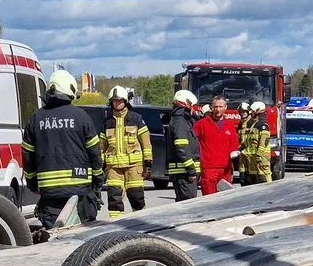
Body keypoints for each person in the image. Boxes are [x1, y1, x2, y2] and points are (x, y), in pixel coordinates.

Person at [21, 70, 105, 228]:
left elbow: (28, 156)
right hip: (80, 191)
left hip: (50, 194)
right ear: (70, 90)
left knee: (55, 239)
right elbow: (94, 152)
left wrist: (32, 183)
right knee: (85, 238)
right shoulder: (81, 116)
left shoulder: (35, 119)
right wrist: (98, 179)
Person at [97, 85, 152, 218]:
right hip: (114, 169)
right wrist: (98, 166)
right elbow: (101, 147)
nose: (117, 103)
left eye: (120, 100)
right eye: (115, 100)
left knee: (136, 197)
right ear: (111, 102)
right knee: (114, 200)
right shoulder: (107, 122)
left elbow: (146, 143)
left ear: (125, 101)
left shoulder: (136, 119)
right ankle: (116, 227)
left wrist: (148, 164)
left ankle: (142, 224)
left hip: (134, 167)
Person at [192, 96, 238, 195]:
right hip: (209, 168)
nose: (217, 109)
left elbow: (234, 143)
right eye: (215, 107)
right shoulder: (201, 124)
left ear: (225, 107)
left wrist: (234, 151)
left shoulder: (229, 125)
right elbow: (192, 141)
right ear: (212, 108)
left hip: (225, 169)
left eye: (220, 106)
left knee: (225, 199)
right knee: (209, 198)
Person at [164, 89, 200, 201]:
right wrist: (191, 170)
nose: (195, 109)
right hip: (184, 174)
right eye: (193, 106)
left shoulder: (180, 120)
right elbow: (182, 148)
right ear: (187, 104)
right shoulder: (180, 122)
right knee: (187, 205)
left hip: (183, 173)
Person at [240, 101, 272, 185]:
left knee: (264, 175)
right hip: (254, 156)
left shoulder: (263, 125)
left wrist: (259, 154)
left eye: (253, 111)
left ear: (258, 111)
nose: (251, 113)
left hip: (262, 157)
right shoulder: (255, 124)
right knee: (256, 178)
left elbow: (263, 141)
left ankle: (269, 191)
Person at [236, 102, 253, 182]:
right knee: (242, 176)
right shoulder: (240, 124)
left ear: (248, 112)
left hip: (251, 154)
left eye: (244, 112)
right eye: (241, 112)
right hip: (242, 153)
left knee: (251, 176)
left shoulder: (252, 123)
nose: (242, 114)